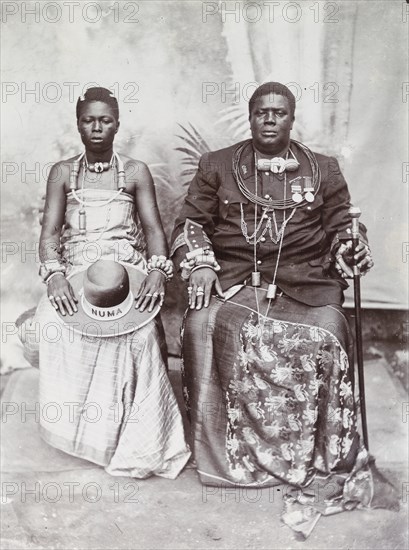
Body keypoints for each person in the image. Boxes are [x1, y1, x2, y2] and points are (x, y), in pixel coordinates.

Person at [171, 82, 397, 536]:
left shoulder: (323, 169)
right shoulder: (217, 164)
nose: (270, 119)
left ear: (292, 119)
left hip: (304, 284)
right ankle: (223, 458)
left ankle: (319, 455)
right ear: (250, 116)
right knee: (201, 324)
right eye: (261, 112)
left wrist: (350, 245)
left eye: (279, 113)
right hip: (235, 282)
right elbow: (191, 221)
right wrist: (198, 263)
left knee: (329, 333)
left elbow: (343, 224)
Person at [21, 87, 190, 479]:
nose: (97, 128)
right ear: (78, 124)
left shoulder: (135, 171)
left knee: (140, 338)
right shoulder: (62, 172)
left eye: (105, 120)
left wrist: (156, 271)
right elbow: (49, 232)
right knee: (50, 324)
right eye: (88, 120)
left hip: (125, 270)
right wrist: (56, 274)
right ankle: (84, 434)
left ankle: (135, 439)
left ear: (117, 123)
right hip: (79, 272)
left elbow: (153, 229)